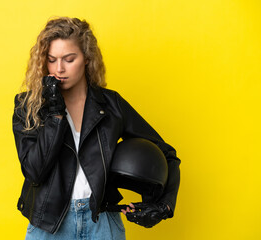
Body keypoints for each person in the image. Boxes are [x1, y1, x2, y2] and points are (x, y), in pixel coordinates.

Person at [12, 17, 180, 240]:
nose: (59, 69)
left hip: (102, 223)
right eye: (51, 60)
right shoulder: (28, 106)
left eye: (69, 59)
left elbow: (167, 154)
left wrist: (164, 206)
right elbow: (34, 171)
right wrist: (54, 114)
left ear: (87, 59)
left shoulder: (112, 106)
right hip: (49, 225)